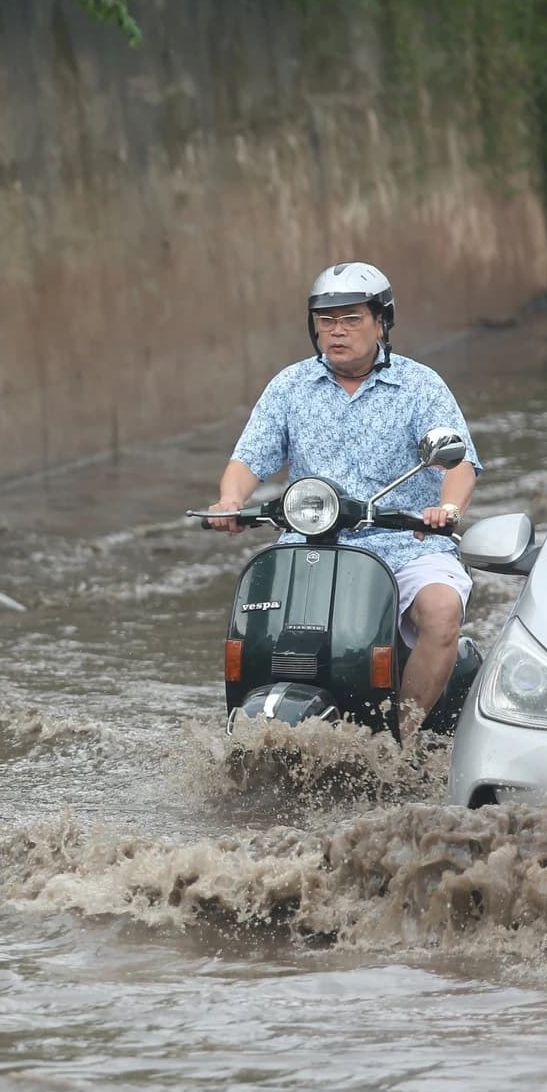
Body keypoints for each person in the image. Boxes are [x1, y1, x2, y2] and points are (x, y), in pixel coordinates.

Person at [204, 262, 481, 740]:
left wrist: (448, 510)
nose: (337, 330)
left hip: (406, 542)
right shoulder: (289, 387)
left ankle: (401, 740)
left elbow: (458, 463)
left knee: (441, 613)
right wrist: (230, 500)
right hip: (311, 544)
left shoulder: (420, 386)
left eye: (351, 318)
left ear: (380, 322)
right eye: (326, 319)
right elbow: (249, 459)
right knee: (256, 634)